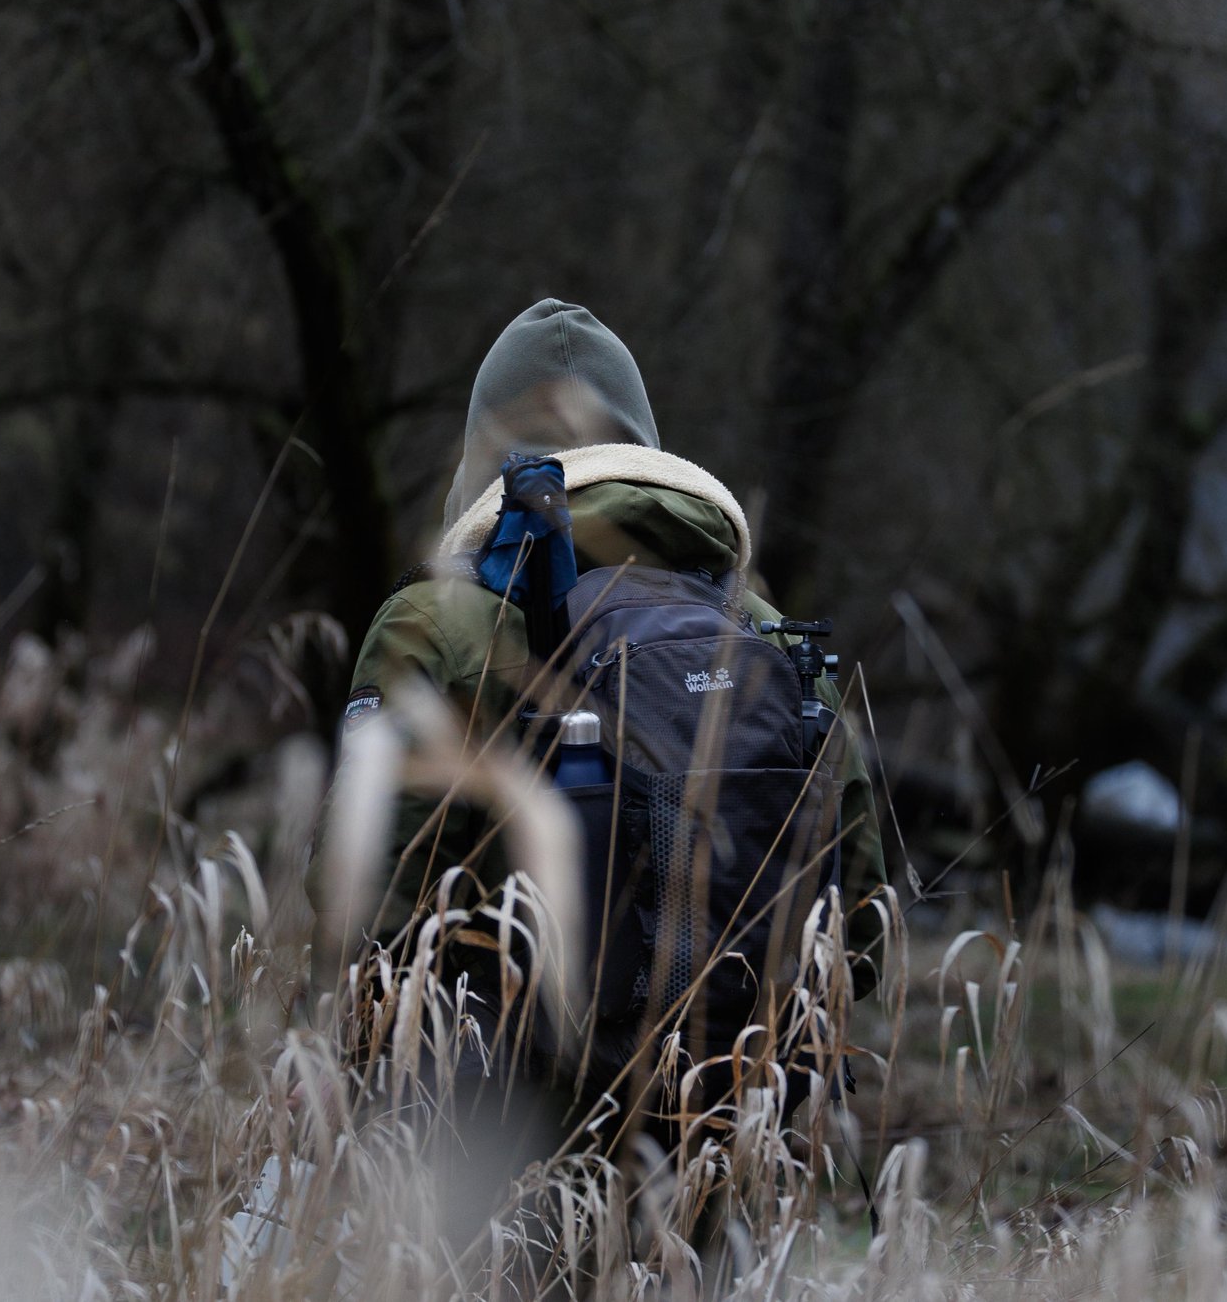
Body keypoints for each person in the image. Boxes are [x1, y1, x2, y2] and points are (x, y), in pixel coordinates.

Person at [332, 298, 888, 1261]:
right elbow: (864, 929)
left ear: (480, 459)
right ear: (647, 453)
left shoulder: (435, 626)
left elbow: (368, 920)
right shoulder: (766, 635)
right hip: (713, 1175)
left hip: (489, 1179)